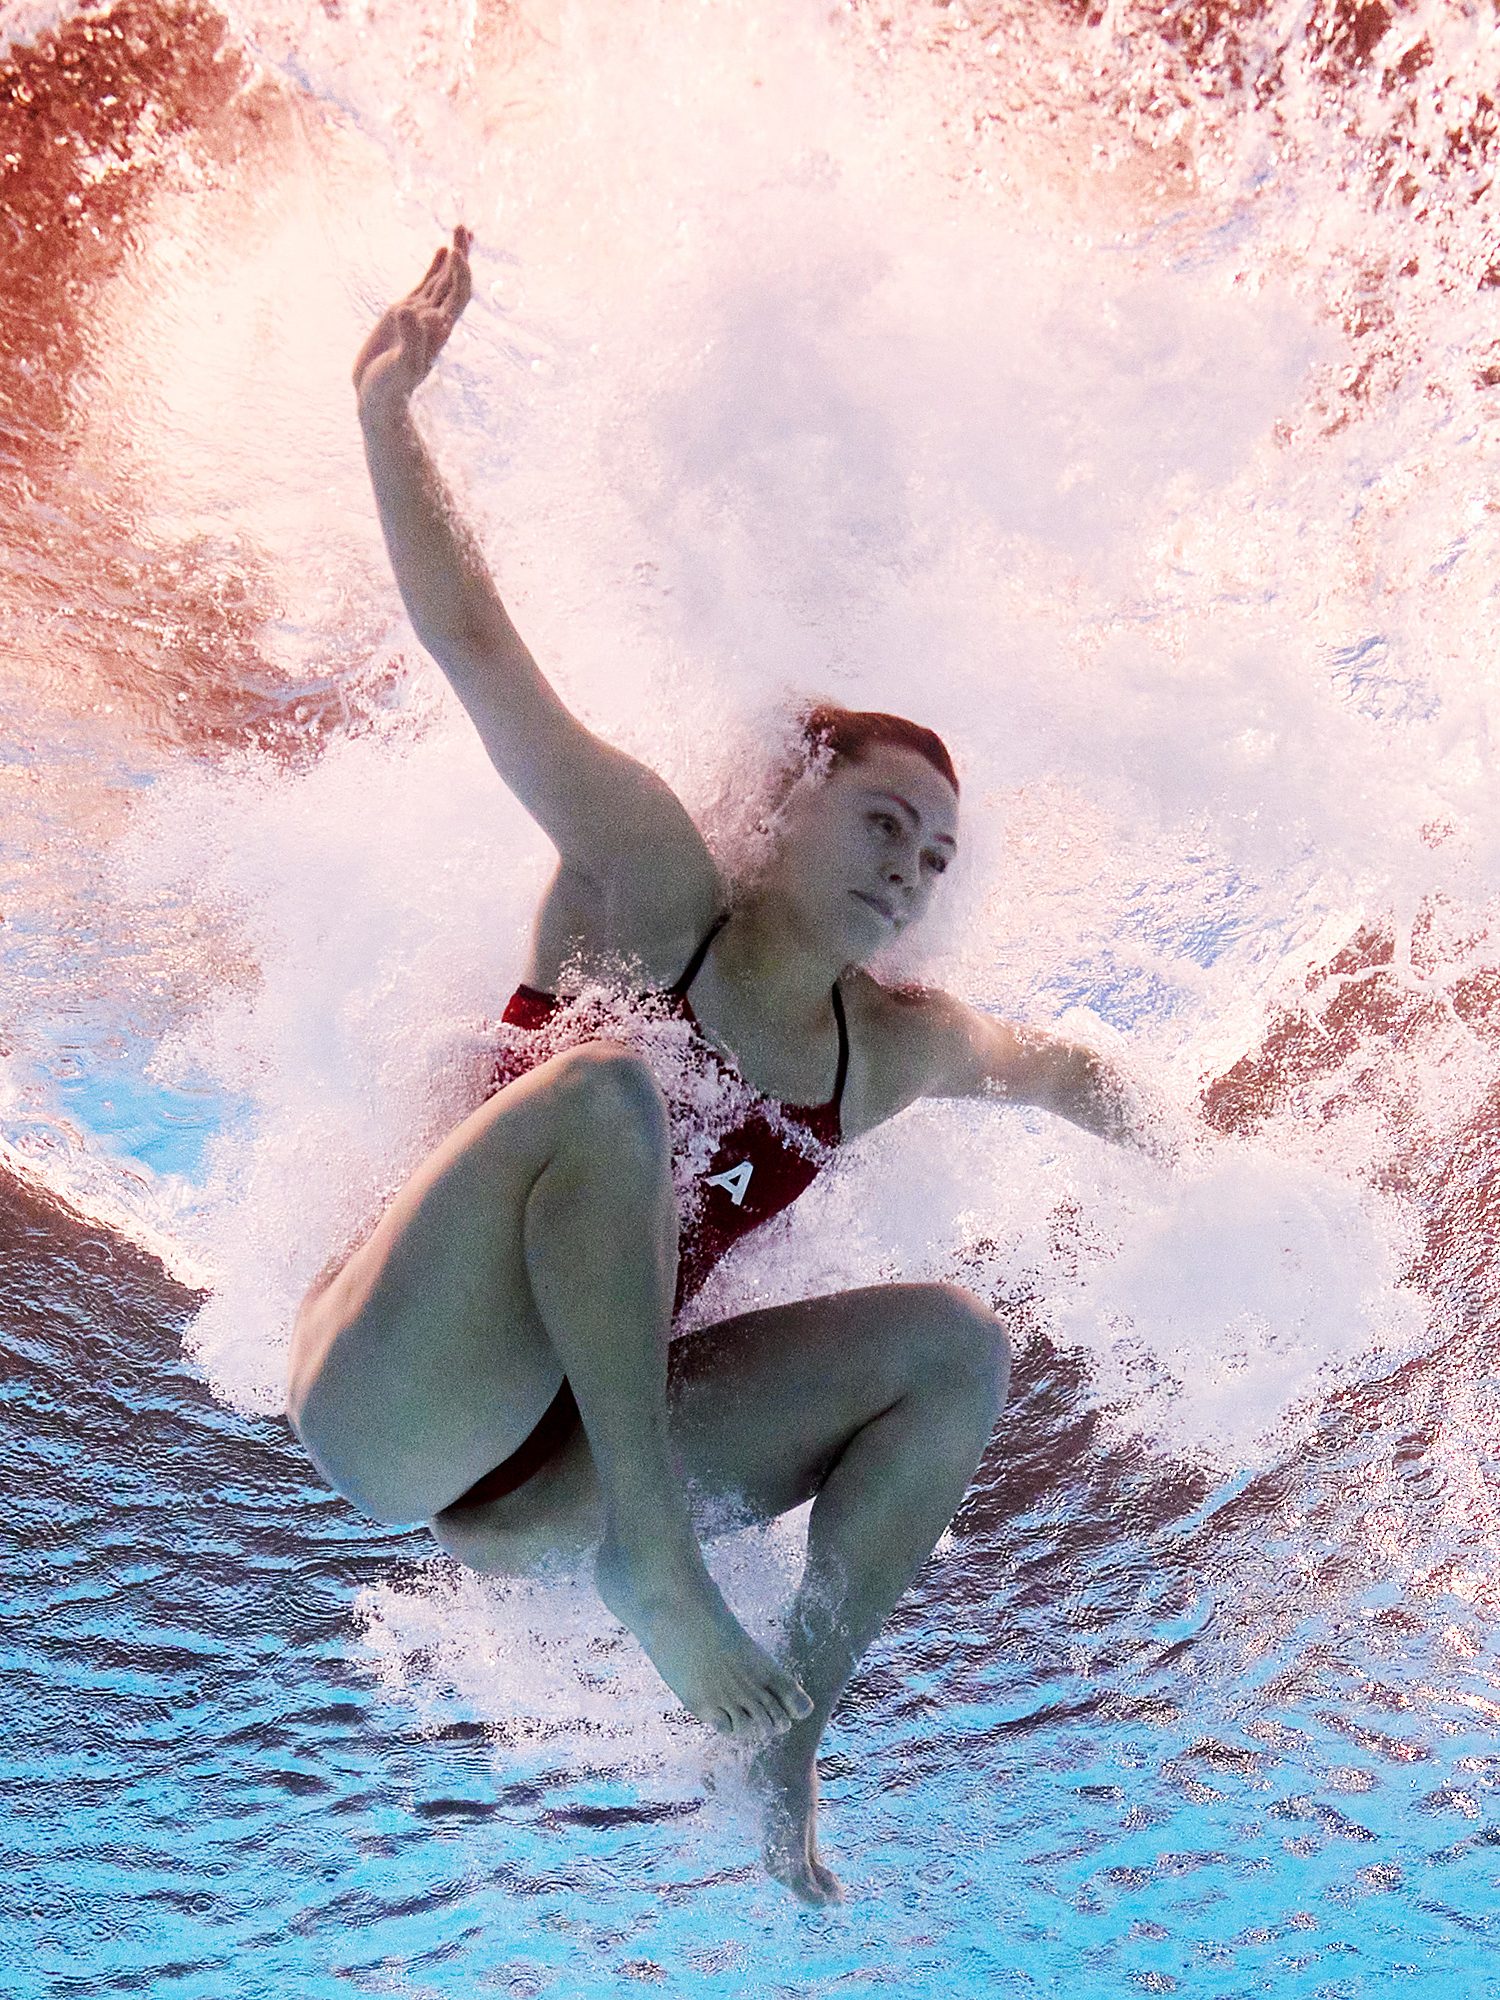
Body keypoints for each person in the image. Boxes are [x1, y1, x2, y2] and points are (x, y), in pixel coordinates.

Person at [287, 227, 1161, 1905]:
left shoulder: (884, 1050)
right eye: (884, 820)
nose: (913, 868)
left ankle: (787, 1737)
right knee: (612, 1094)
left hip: (550, 1489)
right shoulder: (648, 878)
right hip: (400, 1399)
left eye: (937, 858)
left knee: (953, 1354)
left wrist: (1247, 1188)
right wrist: (387, 415)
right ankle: (662, 1568)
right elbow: (481, 651)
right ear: (787, 804)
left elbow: (1068, 1081)